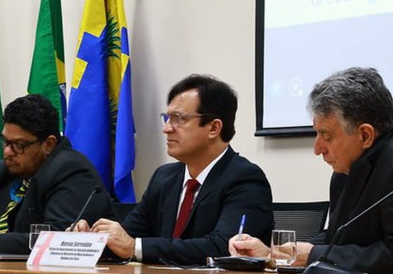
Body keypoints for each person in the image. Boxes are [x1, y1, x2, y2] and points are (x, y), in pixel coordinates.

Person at [229, 67, 393, 274]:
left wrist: (312, 255)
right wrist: (276, 253)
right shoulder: (353, 165)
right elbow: (340, 236)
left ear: (365, 135)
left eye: (326, 135)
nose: (317, 148)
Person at [75, 74, 274, 264]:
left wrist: (133, 246)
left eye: (179, 119)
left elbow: (224, 247)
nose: (167, 128)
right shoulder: (164, 177)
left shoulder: (245, 179)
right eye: (167, 118)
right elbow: (127, 238)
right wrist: (88, 241)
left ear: (214, 128)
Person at [0, 94, 113, 255]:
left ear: (48, 144)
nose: (7, 152)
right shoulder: (0, 171)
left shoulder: (71, 171)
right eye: (5, 142)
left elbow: (55, 238)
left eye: (19, 145)